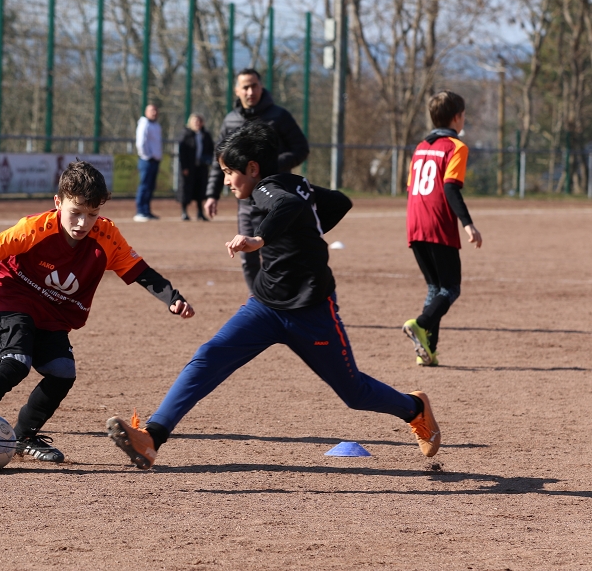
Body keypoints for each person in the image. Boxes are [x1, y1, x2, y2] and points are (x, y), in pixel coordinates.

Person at [106, 121, 440, 470]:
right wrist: (306, 232)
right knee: (209, 357)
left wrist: (260, 238)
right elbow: (339, 201)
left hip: (311, 311)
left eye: (228, 172)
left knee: (354, 392)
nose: (225, 181)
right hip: (265, 306)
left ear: (252, 168)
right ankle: (152, 438)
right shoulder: (294, 183)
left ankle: (415, 408)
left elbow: (287, 207)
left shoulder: (266, 188)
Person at [0, 161, 195, 471]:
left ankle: (23, 436)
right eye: (76, 212)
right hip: (12, 299)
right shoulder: (35, 229)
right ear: (58, 203)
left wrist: (172, 298)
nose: (83, 222)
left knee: (62, 372)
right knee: (17, 363)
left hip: (53, 314)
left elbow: (139, 271)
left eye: (92, 214)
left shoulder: (106, 236)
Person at [204, 68, 309, 291]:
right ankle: (258, 301)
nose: (250, 91)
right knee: (246, 254)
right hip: (245, 201)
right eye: (245, 87)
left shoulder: (279, 116)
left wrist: (269, 165)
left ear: (261, 87)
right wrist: (211, 195)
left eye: (254, 86)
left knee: (281, 251)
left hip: (276, 195)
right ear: (237, 90)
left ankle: (290, 299)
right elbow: (219, 161)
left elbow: (301, 148)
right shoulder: (231, 120)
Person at [402, 90, 482, 367]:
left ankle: (427, 351)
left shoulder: (421, 146)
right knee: (450, 288)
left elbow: (412, 188)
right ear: (457, 117)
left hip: (415, 222)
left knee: (434, 287)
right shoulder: (456, 147)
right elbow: (450, 187)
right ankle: (420, 323)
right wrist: (468, 223)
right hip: (437, 223)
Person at [177, 113, 214, 221]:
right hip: (189, 167)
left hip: (201, 167)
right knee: (186, 189)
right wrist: (185, 167)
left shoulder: (205, 135)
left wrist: (208, 160)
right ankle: (184, 212)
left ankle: (200, 212)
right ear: (190, 123)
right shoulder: (186, 134)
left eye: (199, 121)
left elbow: (210, 150)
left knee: (200, 189)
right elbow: (182, 152)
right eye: (195, 121)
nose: (197, 123)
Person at [134, 104, 162, 222]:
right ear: (146, 112)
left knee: (150, 186)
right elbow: (140, 142)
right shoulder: (144, 123)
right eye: (151, 110)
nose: (154, 112)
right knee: (144, 186)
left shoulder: (156, 125)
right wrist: (147, 156)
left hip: (155, 160)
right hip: (147, 161)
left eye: (155, 110)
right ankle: (140, 211)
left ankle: (147, 211)